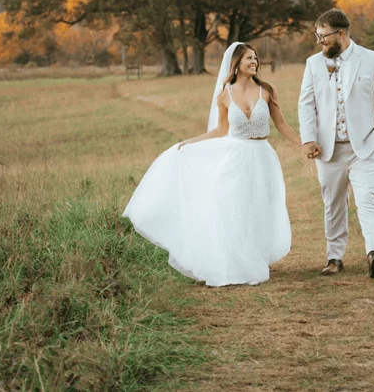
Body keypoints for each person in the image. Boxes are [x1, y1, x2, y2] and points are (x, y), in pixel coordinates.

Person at [122, 42, 299, 287]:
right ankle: (237, 262)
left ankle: (256, 256)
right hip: (236, 158)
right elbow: (221, 130)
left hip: (262, 157)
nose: (254, 62)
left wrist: (303, 143)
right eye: (249, 58)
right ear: (236, 64)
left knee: (260, 207)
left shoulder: (267, 90)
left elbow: (281, 124)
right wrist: (190, 143)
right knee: (236, 206)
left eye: (255, 58)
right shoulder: (225, 95)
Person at [298, 8, 374, 278]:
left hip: (365, 147)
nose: (320, 42)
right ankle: (335, 257)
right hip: (328, 150)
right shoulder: (313, 64)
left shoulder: (372, 60)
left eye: (323, 36)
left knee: (368, 198)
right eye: (317, 36)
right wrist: (308, 139)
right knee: (333, 203)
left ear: (340, 33)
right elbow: (306, 105)